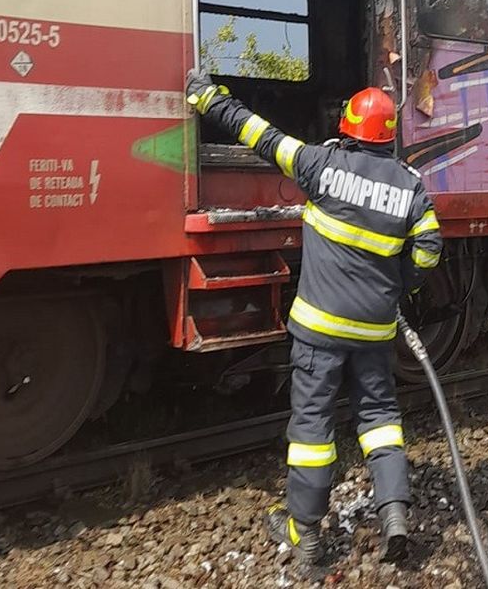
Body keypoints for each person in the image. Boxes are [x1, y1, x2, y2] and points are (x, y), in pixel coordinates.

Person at [185, 71, 443, 566]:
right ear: (389, 136)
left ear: (347, 128)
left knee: (312, 428)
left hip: (319, 331)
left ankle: (305, 534)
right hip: (373, 331)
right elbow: (430, 248)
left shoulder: (319, 164)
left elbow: (258, 134)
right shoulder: (410, 187)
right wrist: (403, 282)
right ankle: (394, 516)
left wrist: (208, 97)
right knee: (380, 421)